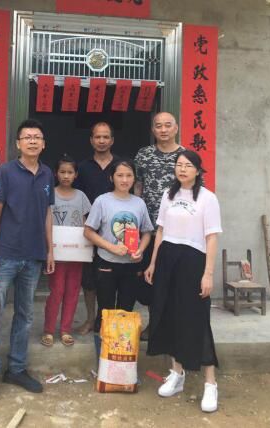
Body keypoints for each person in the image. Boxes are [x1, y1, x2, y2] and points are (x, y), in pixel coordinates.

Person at [0, 119, 55, 402]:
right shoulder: (6, 172)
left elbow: (47, 214)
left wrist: (50, 250)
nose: (32, 141)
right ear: (18, 143)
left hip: (33, 256)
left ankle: (17, 369)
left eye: (37, 137)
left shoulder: (47, 174)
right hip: (5, 255)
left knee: (25, 315)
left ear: (43, 144)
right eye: (27, 137)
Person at [144, 150, 222, 413]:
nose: (182, 169)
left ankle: (210, 383)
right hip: (167, 259)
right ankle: (177, 373)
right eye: (179, 165)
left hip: (193, 261)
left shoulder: (208, 198)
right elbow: (160, 231)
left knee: (196, 317)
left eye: (188, 165)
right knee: (170, 314)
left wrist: (208, 273)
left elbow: (212, 237)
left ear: (198, 170)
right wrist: (153, 262)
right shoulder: (169, 195)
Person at [84, 159, 153, 359]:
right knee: (105, 311)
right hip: (106, 263)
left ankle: (121, 359)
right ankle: (103, 359)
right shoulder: (102, 201)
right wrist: (111, 247)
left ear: (134, 178)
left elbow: (147, 232)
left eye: (129, 175)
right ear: (111, 177)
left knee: (126, 311)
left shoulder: (139, 203)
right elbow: (88, 231)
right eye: (120, 175)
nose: (124, 180)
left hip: (131, 266)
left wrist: (140, 249)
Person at [134, 112, 185, 341]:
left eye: (167, 125)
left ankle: (171, 326)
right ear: (153, 130)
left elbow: (195, 191)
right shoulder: (143, 155)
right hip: (148, 230)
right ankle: (154, 325)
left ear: (176, 128)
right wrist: (136, 219)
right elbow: (137, 186)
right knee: (150, 280)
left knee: (174, 280)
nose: (163, 130)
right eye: (158, 126)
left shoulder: (186, 156)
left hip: (177, 231)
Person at [73, 122, 119, 335]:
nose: (102, 141)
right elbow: (76, 198)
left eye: (106, 137)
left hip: (115, 231)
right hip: (89, 230)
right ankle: (91, 319)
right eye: (97, 137)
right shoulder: (82, 168)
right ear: (91, 140)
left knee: (111, 279)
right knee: (89, 279)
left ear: (112, 140)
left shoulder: (121, 165)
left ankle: (108, 321)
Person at [41, 155, 91, 347]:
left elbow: (86, 223)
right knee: (56, 291)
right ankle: (48, 330)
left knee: (72, 291)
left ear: (76, 174)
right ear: (56, 173)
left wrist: (87, 247)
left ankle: (65, 330)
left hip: (76, 254)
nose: (66, 176)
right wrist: (48, 249)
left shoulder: (81, 196)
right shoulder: (50, 194)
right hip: (56, 254)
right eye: (62, 172)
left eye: (70, 172)